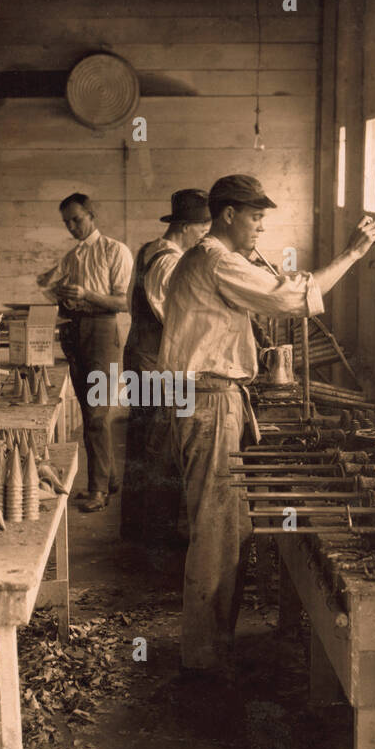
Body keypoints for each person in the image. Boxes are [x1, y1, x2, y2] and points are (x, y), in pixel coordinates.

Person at [157, 174, 375, 681]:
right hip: (208, 399)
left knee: (229, 525)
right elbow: (286, 299)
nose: (261, 225)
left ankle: (214, 647)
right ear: (229, 214)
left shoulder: (212, 259)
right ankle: (204, 661)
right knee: (216, 529)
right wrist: (350, 255)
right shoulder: (216, 260)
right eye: (255, 216)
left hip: (214, 397)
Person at [120, 189, 210, 547]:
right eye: (204, 229)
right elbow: (175, 319)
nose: (205, 237)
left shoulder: (149, 250)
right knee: (159, 450)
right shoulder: (168, 262)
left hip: (145, 359)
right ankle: (154, 544)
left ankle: (138, 536)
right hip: (154, 365)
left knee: (145, 448)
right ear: (187, 227)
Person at [36, 193, 133, 513]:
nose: (72, 226)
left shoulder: (114, 250)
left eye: (77, 219)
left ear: (92, 215)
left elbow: (122, 303)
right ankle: (111, 480)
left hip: (103, 332)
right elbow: (53, 290)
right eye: (66, 222)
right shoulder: (72, 256)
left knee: (96, 415)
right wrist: (56, 290)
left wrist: (86, 293)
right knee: (91, 411)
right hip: (74, 329)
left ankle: (98, 490)